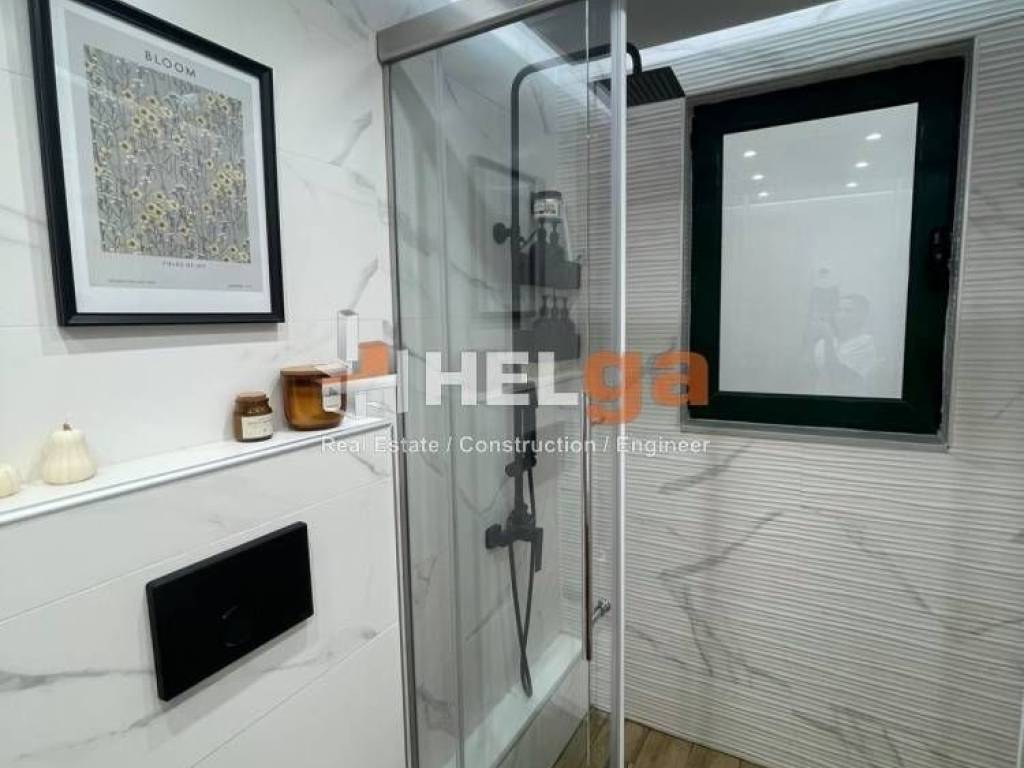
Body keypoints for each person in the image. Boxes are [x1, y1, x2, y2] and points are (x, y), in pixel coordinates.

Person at [811, 293, 882, 396]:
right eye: (838, 310)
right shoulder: (822, 343)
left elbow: (839, 379)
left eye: (848, 311)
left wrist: (828, 339)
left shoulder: (866, 343)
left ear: (862, 316)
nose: (841, 315)